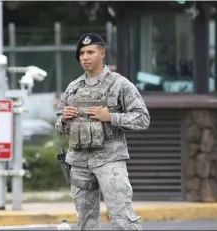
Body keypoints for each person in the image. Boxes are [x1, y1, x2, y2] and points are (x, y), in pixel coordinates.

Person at [54, 33, 150, 230]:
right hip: (79, 162)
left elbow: (142, 118)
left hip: (110, 160)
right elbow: (59, 125)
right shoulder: (74, 87)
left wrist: (111, 117)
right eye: (81, 53)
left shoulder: (119, 84)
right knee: (85, 222)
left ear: (102, 54)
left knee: (122, 218)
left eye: (90, 52)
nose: (85, 57)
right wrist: (63, 119)